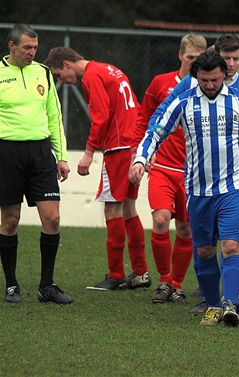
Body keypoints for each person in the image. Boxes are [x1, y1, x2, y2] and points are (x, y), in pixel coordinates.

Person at [130, 50, 239, 327]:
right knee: (204, 250)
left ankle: (230, 306)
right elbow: (156, 129)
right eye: (204, 80)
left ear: (224, 76)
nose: (210, 85)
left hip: (234, 187)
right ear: (196, 77)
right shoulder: (183, 102)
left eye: (215, 80)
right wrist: (141, 160)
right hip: (198, 191)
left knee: (230, 245)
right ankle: (213, 304)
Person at [44, 47, 151, 291]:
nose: (63, 81)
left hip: (117, 147)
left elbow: (101, 117)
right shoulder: (110, 69)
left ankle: (115, 274)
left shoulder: (92, 76)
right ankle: (141, 272)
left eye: (60, 74)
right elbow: (134, 105)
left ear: (68, 64)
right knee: (128, 207)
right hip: (132, 145)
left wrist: (89, 152)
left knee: (112, 209)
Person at [0, 24, 73, 305]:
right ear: (11, 46)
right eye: (27, 48)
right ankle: (11, 285)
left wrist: (62, 156)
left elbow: (54, 116)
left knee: (52, 218)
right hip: (7, 152)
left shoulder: (42, 72)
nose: (32, 53)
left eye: (35, 48)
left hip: (41, 153)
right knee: (10, 220)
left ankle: (47, 286)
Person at [133, 33, 207, 304]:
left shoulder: (208, 88)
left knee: (186, 229)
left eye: (199, 59)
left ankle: (177, 284)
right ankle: (164, 281)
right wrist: (140, 154)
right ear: (180, 55)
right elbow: (145, 119)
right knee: (161, 220)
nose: (194, 63)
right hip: (162, 167)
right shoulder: (161, 83)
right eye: (190, 58)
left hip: (192, 172)